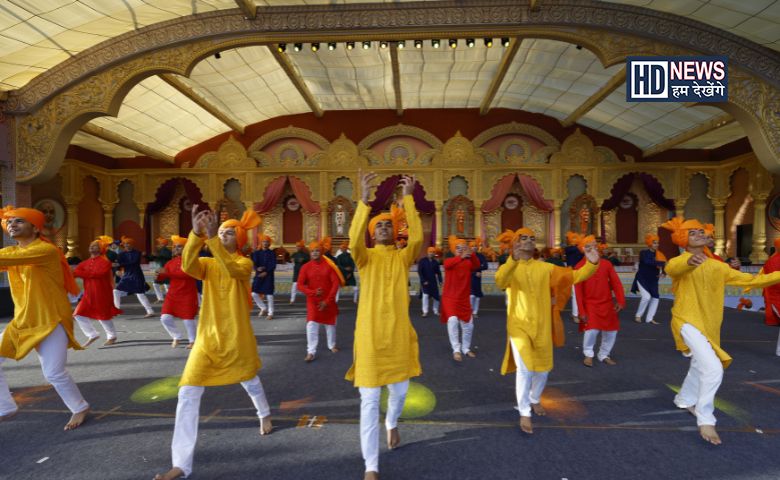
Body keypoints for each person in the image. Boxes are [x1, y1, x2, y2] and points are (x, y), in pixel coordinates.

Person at [154, 206, 273, 480]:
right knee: (187, 393)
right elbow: (187, 265)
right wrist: (196, 234)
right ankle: (181, 464)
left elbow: (231, 269)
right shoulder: (207, 265)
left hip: (236, 337)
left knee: (250, 380)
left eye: (228, 233)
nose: (222, 236)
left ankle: (264, 413)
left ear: (239, 240)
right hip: (207, 339)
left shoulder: (244, 264)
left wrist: (211, 240)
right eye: (220, 232)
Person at [661, 216, 780, 445]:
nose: (699, 234)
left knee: (699, 364)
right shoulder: (681, 261)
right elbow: (673, 268)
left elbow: (752, 280)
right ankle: (706, 418)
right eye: (692, 232)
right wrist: (689, 263)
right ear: (684, 239)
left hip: (710, 325)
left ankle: (684, 399)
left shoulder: (717, 266)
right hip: (686, 321)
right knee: (713, 368)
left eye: (700, 231)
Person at [347, 171, 422, 480]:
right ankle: (371, 465)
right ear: (372, 232)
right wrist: (363, 202)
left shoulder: (402, 258)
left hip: (398, 337)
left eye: (389, 224)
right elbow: (353, 242)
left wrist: (408, 201)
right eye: (379, 226)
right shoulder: (364, 258)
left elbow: (417, 239)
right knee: (368, 401)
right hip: (369, 337)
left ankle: (392, 421)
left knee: (400, 392)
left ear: (395, 231)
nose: (384, 229)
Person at [495, 227, 599, 434]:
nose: (528, 241)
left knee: (543, 369)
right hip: (519, 326)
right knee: (525, 369)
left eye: (532, 238)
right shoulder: (509, 267)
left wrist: (592, 263)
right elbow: (500, 282)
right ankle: (524, 411)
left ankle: (534, 399)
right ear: (515, 243)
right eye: (523, 238)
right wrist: (512, 260)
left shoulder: (545, 268)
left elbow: (574, 277)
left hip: (542, 325)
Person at [0, 206, 90, 430]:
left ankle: (79, 407)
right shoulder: (13, 253)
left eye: (19, 221)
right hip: (23, 322)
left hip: (50, 321)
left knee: (54, 373)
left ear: (35, 227)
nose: (12, 225)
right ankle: (5, 407)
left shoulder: (45, 250)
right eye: (10, 222)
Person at [574, 237, 626, 367]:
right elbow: (578, 293)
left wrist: (620, 300)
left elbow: (616, 283)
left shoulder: (606, 264)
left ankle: (604, 354)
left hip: (607, 303)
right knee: (591, 330)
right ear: (583, 249)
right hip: (590, 304)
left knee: (612, 331)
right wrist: (581, 310)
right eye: (589, 246)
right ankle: (588, 354)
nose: (593, 248)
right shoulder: (579, 266)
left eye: (595, 246)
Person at [298, 238, 344, 362]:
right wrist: (312, 292)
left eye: (317, 251)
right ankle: (311, 351)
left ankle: (332, 345)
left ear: (321, 252)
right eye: (312, 251)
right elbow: (300, 285)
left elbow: (335, 284)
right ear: (310, 253)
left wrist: (327, 301)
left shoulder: (329, 266)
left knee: (330, 324)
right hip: (313, 301)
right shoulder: (305, 267)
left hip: (328, 300)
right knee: (311, 324)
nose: (315, 253)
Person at [73, 235, 123, 347]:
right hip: (88, 294)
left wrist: (83, 274)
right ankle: (92, 334)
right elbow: (75, 272)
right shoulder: (85, 262)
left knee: (103, 315)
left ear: (101, 249)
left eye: (95, 246)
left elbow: (97, 274)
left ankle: (111, 336)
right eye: (91, 246)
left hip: (102, 293)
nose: (92, 247)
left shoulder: (105, 263)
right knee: (78, 314)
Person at [441, 236, 481, 361]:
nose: (460, 250)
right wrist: (461, 256)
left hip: (463, 298)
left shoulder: (468, 262)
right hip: (450, 297)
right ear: (453, 249)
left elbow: (477, 265)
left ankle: (466, 348)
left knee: (469, 325)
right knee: (452, 320)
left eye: (462, 248)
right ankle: (456, 349)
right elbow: (447, 265)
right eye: (457, 248)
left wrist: (471, 253)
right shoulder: (449, 261)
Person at [157, 235, 199, 349]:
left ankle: (193, 340)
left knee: (188, 319)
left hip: (187, 294)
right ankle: (176, 336)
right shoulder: (170, 262)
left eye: (179, 247)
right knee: (165, 318)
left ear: (186, 248)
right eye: (175, 247)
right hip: (172, 294)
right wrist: (159, 275)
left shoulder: (191, 261)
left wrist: (167, 273)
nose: (176, 249)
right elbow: (163, 276)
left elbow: (186, 274)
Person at [113, 236, 155, 317]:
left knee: (140, 293)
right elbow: (117, 264)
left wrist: (120, 264)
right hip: (127, 275)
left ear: (132, 244)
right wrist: (117, 270)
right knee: (116, 291)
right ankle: (116, 309)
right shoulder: (121, 254)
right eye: (125, 244)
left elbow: (133, 262)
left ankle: (150, 311)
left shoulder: (137, 253)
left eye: (128, 243)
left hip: (136, 274)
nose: (126, 245)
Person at [631, 234, 666, 325]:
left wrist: (664, 272)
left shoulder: (660, 254)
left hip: (653, 279)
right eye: (654, 243)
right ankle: (638, 316)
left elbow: (664, 264)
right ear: (650, 243)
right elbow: (647, 261)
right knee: (646, 297)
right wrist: (659, 263)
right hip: (642, 278)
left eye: (658, 243)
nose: (657, 245)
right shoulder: (643, 252)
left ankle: (649, 318)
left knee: (655, 298)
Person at [251, 234, 276, 320]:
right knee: (254, 293)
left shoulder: (272, 253)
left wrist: (266, 272)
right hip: (259, 274)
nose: (265, 243)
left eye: (267, 242)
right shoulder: (257, 253)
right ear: (261, 243)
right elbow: (254, 263)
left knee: (269, 295)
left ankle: (270, 313)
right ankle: (263, 308)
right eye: (264, 242)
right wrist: (257, 268)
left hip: (268, 276)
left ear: (269, 244)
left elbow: (273, 265)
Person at [564, 231, 584, 323]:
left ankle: (580, 313)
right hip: (573, 272)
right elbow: (573, 250)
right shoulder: (570, 249)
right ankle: (576, 314)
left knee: (582, 294)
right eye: (574, 238)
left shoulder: (580, 248)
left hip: (582, 272)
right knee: (576, 294)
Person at [418, 247, 442, 317]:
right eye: (430, 252)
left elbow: (438, 273)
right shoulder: (422, 261)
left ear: (434, 253)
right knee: (425, 296)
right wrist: (423, 281)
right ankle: (425, 311)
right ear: (427, 252)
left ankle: (436, 310)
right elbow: (420, 272)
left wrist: (440, 281)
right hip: (425, 282)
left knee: (436, 297)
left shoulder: (436, 262)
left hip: (433, 282)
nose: (431, 253)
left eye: (433, 252)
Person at [469, 238, 488, 318]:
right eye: (472, 246)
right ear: (470, 248)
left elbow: (485, 266)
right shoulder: (468, 256)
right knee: (471, 296)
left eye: (475, 246)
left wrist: (479, 269)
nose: (474, 247)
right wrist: (475, 272)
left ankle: (475, 312)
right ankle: (470, 311)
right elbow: (466, 268)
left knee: (477, 297)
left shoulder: (481, 256)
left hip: (478, 279)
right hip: (470, 278)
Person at [150, 237, 173, 303]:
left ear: (164, 244)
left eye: (161, 243)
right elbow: (154, 258)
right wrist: (151, 256)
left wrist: (157, 256)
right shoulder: (159, 251)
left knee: (166, 284)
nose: (160, 244)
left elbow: (167, 257)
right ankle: (161, 298)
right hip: (159, 269)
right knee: (156, 284)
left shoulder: (168, 251)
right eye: (160, 243)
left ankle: (168, 299)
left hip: (165, 269)